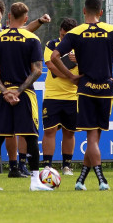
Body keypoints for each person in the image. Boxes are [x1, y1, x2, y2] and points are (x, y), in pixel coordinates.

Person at [50, 0, 113, 191]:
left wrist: (71, 77)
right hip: (107, 91)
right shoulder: (111, 31)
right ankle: (86, 180)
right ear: (101, 12)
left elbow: (55, 56)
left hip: (86, 90)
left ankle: (99, 180)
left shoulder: (77, 32)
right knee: (96, 138)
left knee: (92, 139)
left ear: (84, 11)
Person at [0, 0, 49, 178]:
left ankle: (7, 170)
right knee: (7, 131)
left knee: (6, 133)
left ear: (6, 15)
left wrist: (5, 91)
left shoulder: (0, 37)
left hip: (3, 90)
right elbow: (37, 70)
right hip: (4, 90)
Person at [41, 17, 79, 176]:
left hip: (73, 97)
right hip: (52, 96)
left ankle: (67, 166)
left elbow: (89, 67)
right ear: (59, 33)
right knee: (49, 131)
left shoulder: (81, 47)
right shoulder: (51, 45)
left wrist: (79, 60)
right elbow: (51, 67)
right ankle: (47, 166)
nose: (64, 39)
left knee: (69, 132)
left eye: (68, 36)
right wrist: (71, 75)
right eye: (63, 36)